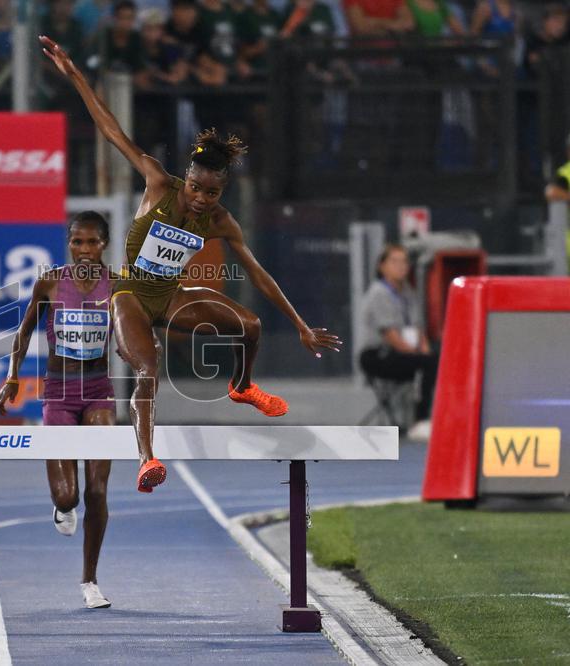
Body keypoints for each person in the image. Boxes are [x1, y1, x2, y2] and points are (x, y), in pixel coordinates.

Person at [39, 34, 341, 492]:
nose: (200, 199)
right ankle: (146, 459)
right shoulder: (159, 183)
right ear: (187, 179)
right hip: (131, 297)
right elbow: (111, 130)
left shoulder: (220, 220)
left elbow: (258, 273)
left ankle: (241, 386)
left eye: (211, 192)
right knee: (147, 367)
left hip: (172, 298)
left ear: (222, 191)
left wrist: (299, 324)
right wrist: (77, 75)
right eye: (196, 187)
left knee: (251, 325)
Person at [0, 211, 116, 610]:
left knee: (97, 490)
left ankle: (90, 580)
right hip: (60, 394)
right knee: (69, 496)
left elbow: (136, 329)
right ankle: (62, 505)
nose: (84, 249)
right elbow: (25, 330)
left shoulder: (117, 286)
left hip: (98, 393)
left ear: (104, 245)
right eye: (77, 242)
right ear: (69, 244)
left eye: (92, 242)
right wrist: (12, 376)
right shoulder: (50, 282)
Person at [358, 244, 439, 441]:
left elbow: (418, 329)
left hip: (405, 352)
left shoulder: (409, 293)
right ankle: (421, 418)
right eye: (394, 261)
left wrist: (425, 351)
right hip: (378, 354)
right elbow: (390, 335)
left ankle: (429, 416)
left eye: (404, 262)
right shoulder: (379, 293)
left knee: (436, 357)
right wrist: (419, 355)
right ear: (382, 266)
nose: (401, 266)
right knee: (427, 363)